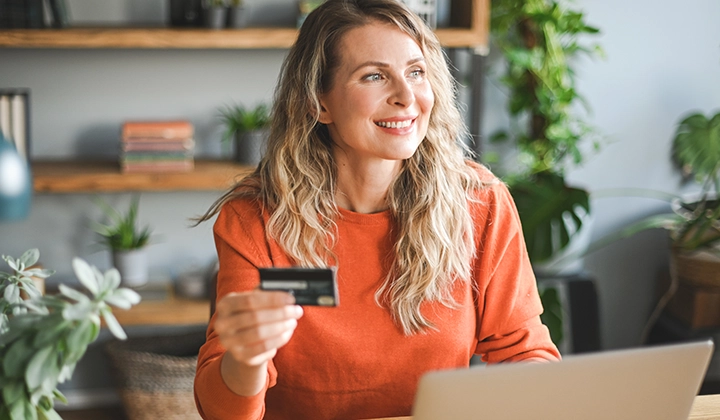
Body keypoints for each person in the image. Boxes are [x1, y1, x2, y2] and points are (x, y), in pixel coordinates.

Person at [193, 0, 560, 419]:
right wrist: (248, 359)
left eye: (416, 72)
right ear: (319, 103)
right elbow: (221, 412)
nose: (407, 97)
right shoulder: (254, 218)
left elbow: (526, 355)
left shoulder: (480, 202)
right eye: (374, 76)